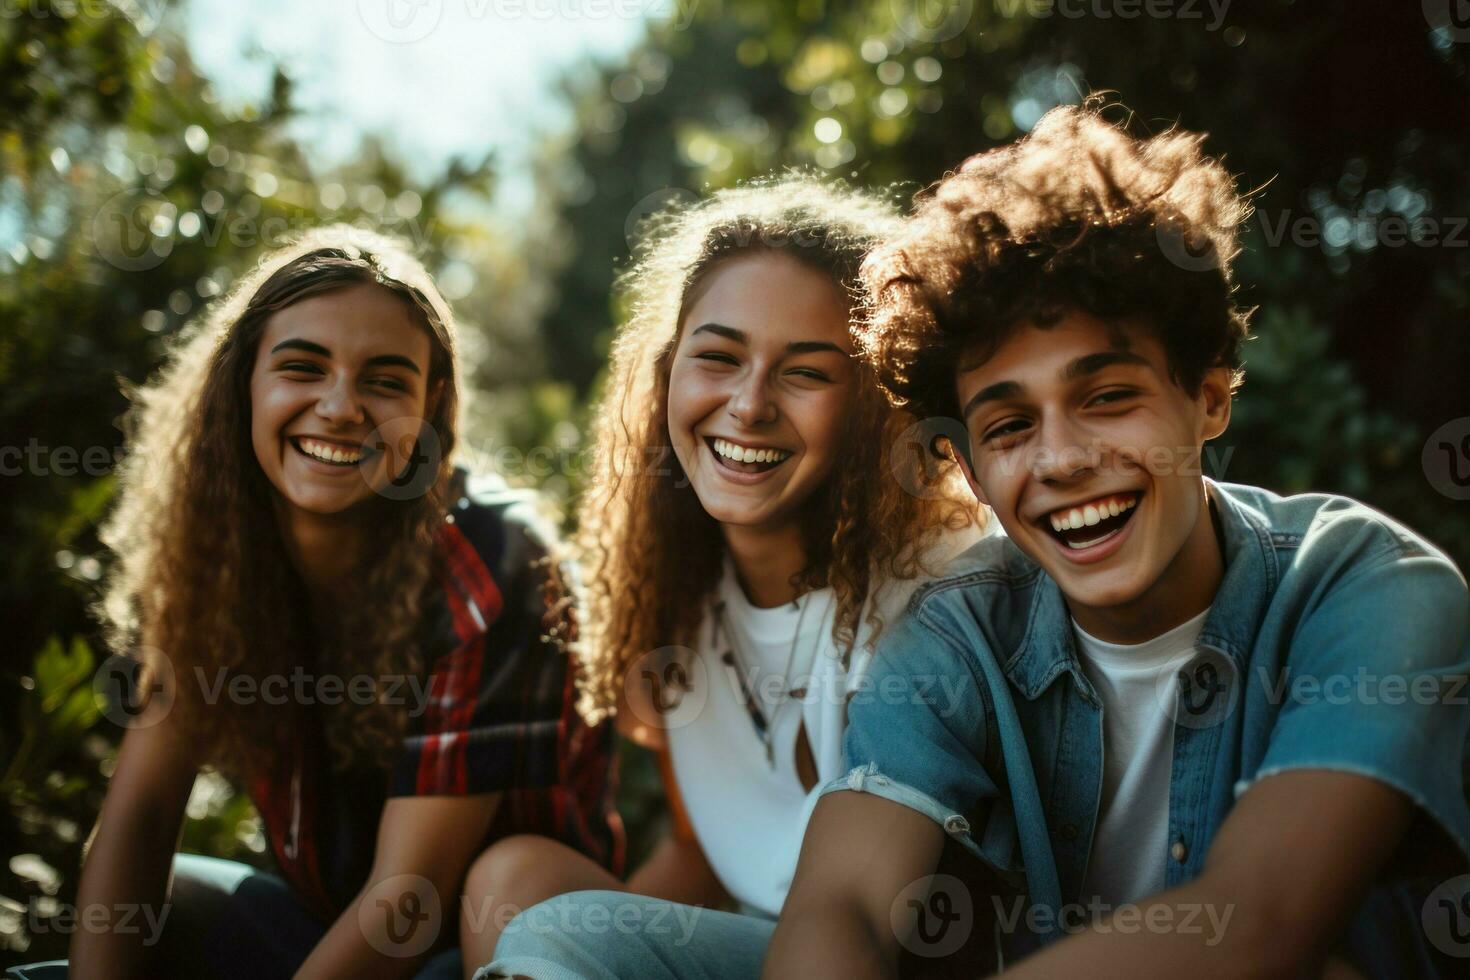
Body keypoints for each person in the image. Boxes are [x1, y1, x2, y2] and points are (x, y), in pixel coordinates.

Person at [767, 101, 1470, 978]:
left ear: (1209, 398)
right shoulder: (956, 635)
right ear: (975, 475)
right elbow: (848, 908)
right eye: (1011, 425)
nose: (1060, 459)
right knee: (592, 937)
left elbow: (1257, 922)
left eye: (1106, 398)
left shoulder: (1372, 587)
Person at [67, 227, 621, 980]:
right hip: (320, 929)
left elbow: (408, 901)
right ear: (243, 384)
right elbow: (141, 817)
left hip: (466, 948)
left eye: (385, 382)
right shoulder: (214, 546)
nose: (339, 407)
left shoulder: (498, 564)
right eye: (302, 367)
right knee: (148, 909)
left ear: (432, 407)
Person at [470, 176, 985, 979]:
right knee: (512, 887)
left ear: (876, 403)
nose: (747, 405)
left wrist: (587, 946)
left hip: (896, 965)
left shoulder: (946, 589)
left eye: (806, 373)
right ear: (667, 373)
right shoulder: (671, 597)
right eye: (717, 357)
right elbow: (697, 852)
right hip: (751, 950)